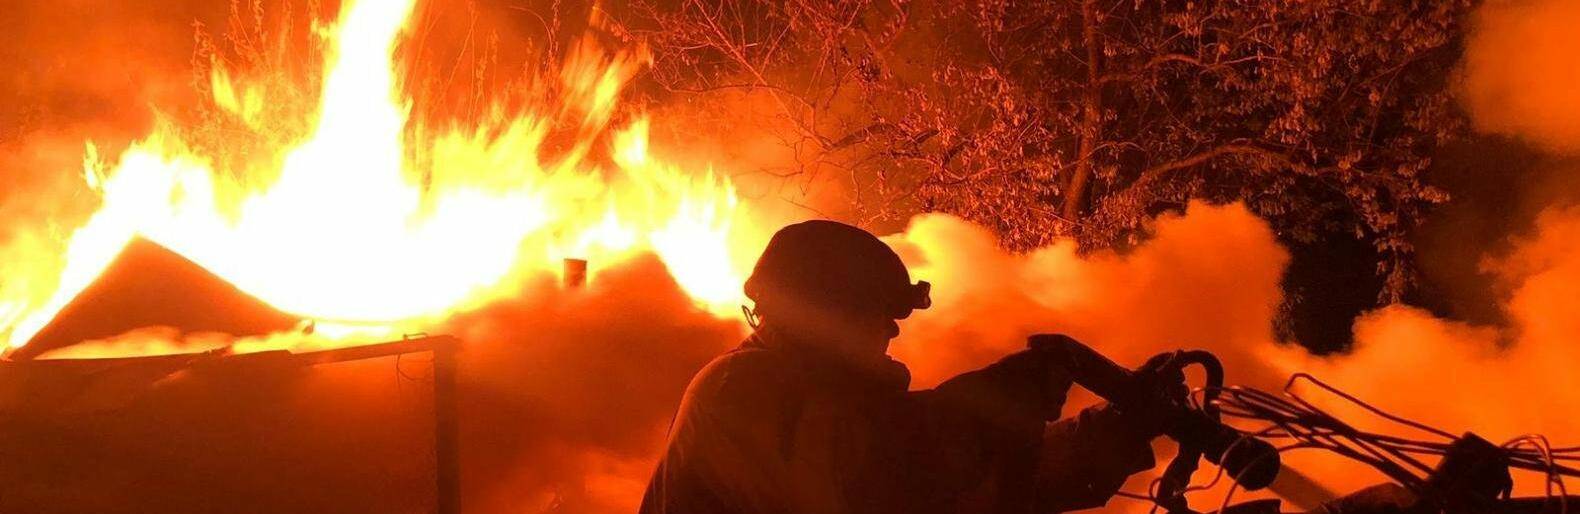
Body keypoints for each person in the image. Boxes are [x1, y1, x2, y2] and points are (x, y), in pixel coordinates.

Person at [640, 220, 1166, 514]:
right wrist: (1003, 396)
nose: (892, 333)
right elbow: (876, 478)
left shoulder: (836, 403)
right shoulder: (739, 390)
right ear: (829, 311)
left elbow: (980, 483)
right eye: (880, 315)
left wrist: (1113, 434)